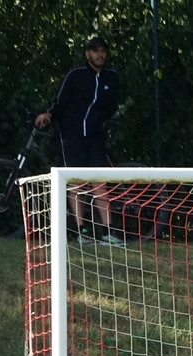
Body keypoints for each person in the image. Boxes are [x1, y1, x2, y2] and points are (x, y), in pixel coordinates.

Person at [35, 37, 122, 244]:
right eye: (95, 51)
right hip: (71, 134)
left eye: (103, 51)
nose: (99, 55)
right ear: (87, 54)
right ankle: (82, 232)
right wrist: (48, 115)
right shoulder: (76, 75)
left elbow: (112, 106)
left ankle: (108, 232)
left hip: (96, 135)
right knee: (76, 182)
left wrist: (102, 121)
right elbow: (60, 102)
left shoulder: (112, 77)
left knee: (99, 182)